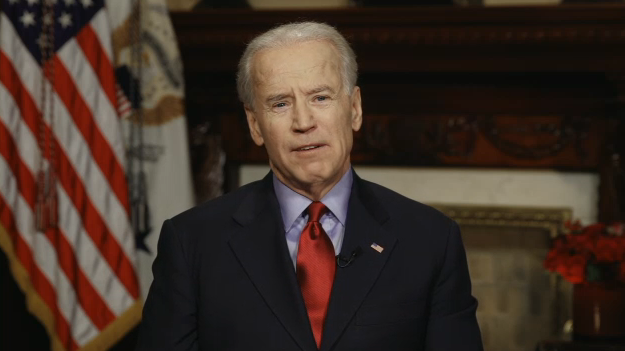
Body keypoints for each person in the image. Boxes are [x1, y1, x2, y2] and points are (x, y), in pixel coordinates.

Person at [136, 22, 483, 351]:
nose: (303, 122)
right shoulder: (191, 242)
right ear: (255, 125)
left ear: (355, 109)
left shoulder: (430, 239)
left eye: (320, 97)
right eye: (280, 104)